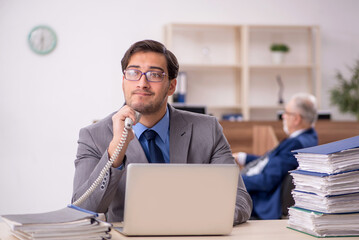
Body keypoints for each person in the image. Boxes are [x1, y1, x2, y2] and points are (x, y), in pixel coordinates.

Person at [72, 39, 252, 225]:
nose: (142, 83)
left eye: (155, 75)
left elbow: (240, 201)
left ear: (172, 86)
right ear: (124, 81)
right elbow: (82, 211)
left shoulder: (207, 129)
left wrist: (188, 221)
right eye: (133, 73)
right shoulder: (93, 136)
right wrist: (114, 154)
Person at [233, 92, 318, 220]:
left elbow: (267, 181)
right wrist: (242, 157)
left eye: (286, 113)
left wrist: (234, 180)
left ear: (296, 119)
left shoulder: (296, 143)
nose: (283, 116)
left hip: (259, 201)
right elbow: (272, 162)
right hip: (257, 188)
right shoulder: (308, 137)